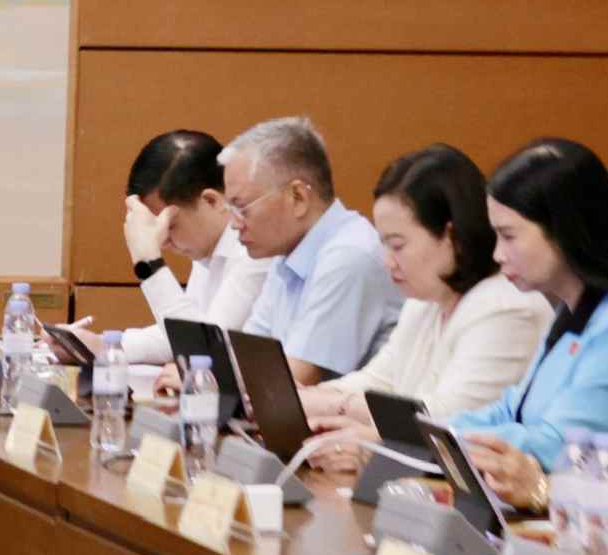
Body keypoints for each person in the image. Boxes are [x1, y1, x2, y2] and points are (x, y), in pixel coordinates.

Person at [446, 139, 608, 508]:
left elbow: (563, 445)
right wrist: (436, 431)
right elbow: (513, 408)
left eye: (509, 236)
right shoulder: (575, 305)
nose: (497, 254)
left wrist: (447, 438)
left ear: (565, 229)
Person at [295, 147, 551, 467]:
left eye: (398, 245)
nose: (388, 261)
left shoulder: (507, 307)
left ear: (450, 235)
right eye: (383, 243)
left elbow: (446, 417)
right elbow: (380, 378)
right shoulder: (426, 300)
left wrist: (334, 405)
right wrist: (306, 399)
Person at [221, 117, 404, 384]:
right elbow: (250, 355)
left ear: (298, 197)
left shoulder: (349, 255)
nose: (234, 224)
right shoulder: (287, 253)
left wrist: (212, 379)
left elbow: (293, 380)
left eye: (242, 207)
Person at [110, 129, 271, 366]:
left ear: (212, 201)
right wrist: (105, 346)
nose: (162, 241)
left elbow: (204, 352)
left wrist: (149, 262)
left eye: (170, 225)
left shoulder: (257, 251)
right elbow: (184, 331)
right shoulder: (210, 250)